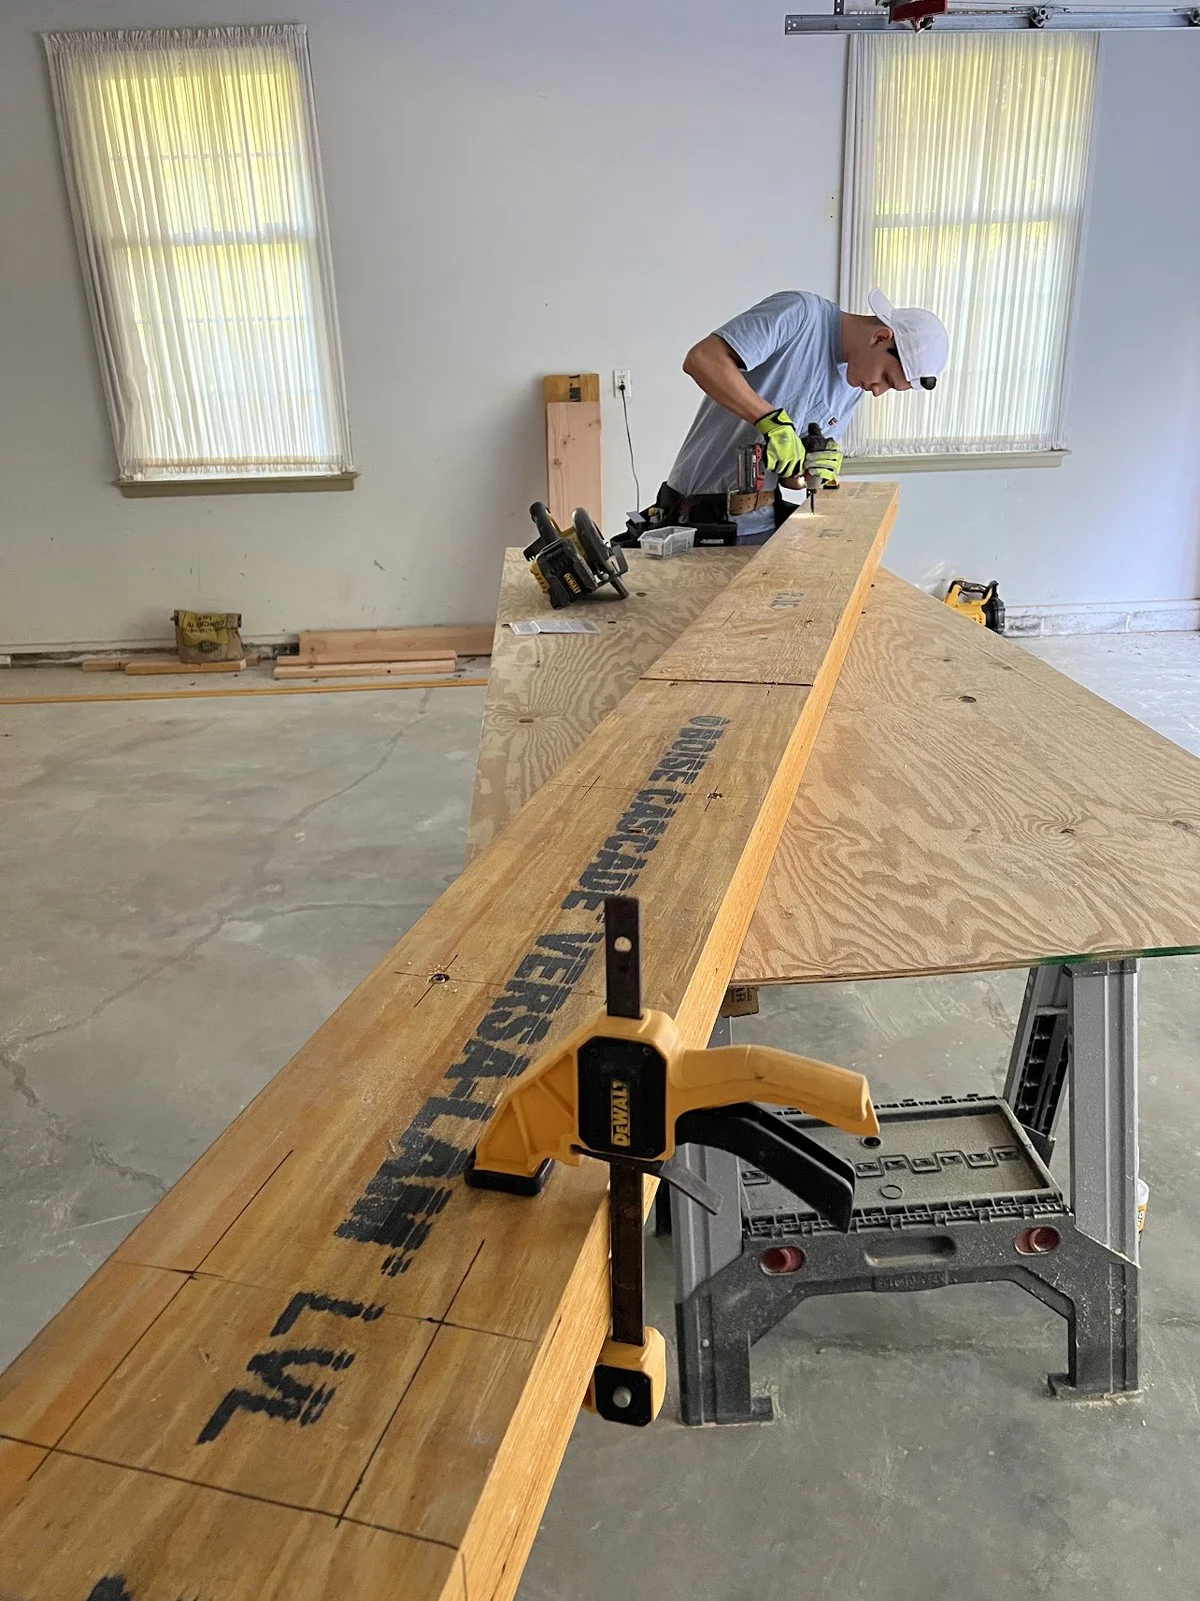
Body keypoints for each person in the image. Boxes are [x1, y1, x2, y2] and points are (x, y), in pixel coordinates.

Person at [661, 288, 949, 543]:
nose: (878, 391)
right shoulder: (800, 314)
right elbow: (702, 359)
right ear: (881, 337)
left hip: (761, 525)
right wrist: (770, 421)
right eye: (886, 378)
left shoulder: (853, 387)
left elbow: (790, 479)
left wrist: (812, 468)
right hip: (693, 519)